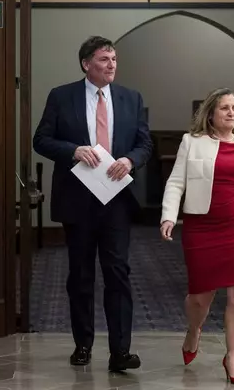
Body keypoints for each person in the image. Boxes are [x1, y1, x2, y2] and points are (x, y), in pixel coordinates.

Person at [32, 36, 152, 371]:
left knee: (118, 272)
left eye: (114, 59)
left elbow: (145, 144)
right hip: (77, 197)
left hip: (116, 198)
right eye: (104, 59)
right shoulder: (62, 96)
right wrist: (72, 150)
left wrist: (130, 160)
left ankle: (120, 351)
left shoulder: (131, 98)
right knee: (81, 275)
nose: (112, 64)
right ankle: (83, 345)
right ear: (87, 64)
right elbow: (40, 139)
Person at [159, 88, 234, 386]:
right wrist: (169, 215)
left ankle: (232, 356)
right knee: (200, 296)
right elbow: (175, 182)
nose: (232, 113)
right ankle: (194, 330)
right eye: (225, 108)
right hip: (203, 226)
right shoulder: (191, 142)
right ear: (211, 113)